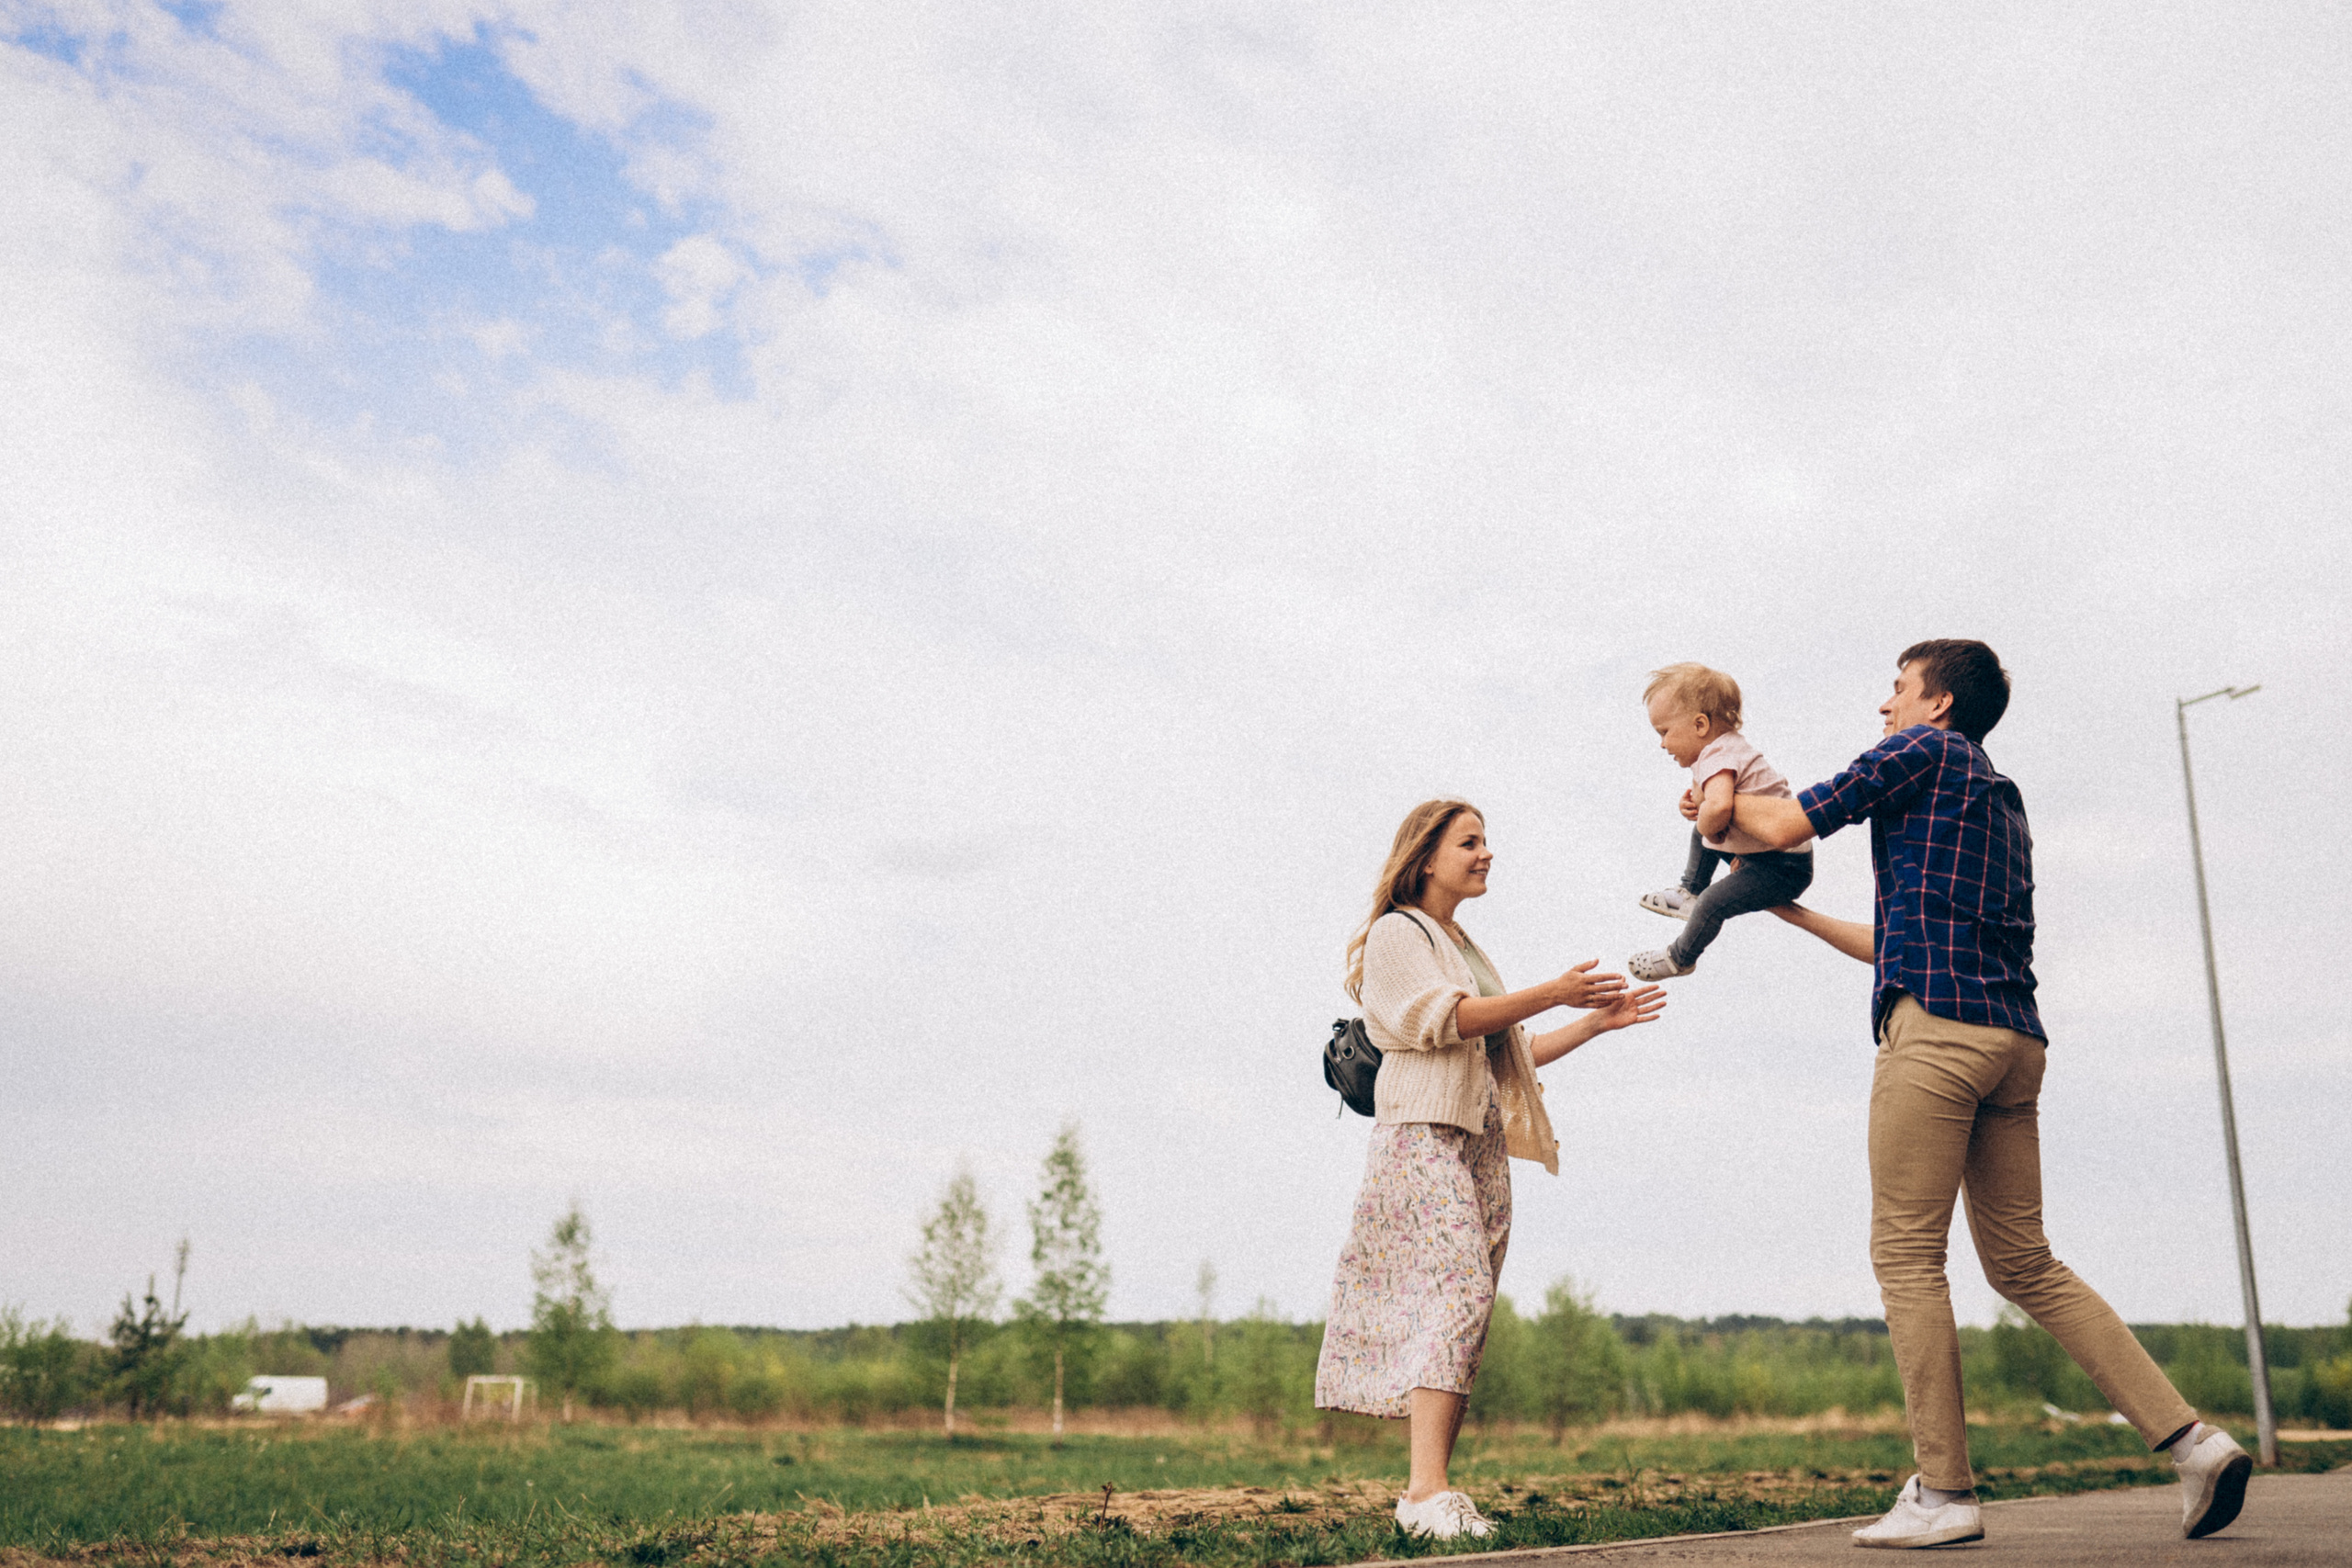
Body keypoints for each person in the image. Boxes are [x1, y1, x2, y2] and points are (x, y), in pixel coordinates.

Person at [1733, 639, 2253, 1551]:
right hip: (2011, 1044)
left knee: (1904, 1258)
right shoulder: (1996, 802)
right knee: (2024, 1265)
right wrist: (1791, 914)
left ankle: (1943, 1493)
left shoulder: (1917, 753)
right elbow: (1897, 937)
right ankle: (2193, 1442)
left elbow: (1784, 825)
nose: (1883, 705)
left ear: (1936, 705)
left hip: (1934, 1039)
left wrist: (1717, 797)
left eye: (1896, 688)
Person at [1314, 798, 1667, 1540]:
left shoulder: (1462, 942)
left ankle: (1428, 1494)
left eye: (1486, 841)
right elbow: (1446, 1020)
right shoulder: (1395, 933)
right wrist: (1551, 991)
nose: (1487, 853)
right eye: (1470, 842)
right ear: (1426, 856)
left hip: (1477, 1142)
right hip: (1422, 1137)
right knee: (1459, 1288)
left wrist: (1593, 1022)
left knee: (1468, 1309)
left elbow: (1503, 1054)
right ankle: (1425, 1489)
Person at [1627, 662, 1814, 980]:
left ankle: (1680, 957)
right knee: (1702, 826)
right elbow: (1711, 800)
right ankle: (1689, 891)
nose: (1662, 744)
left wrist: (1706, 822)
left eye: (1664, 732)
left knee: (1714, 902)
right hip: (1765, 852)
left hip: (1782, 868)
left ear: (1700, 725)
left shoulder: (1718, 756)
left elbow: (1721, 805)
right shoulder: (1721, 753)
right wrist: (1695, 806)